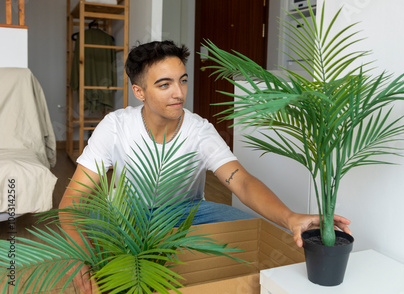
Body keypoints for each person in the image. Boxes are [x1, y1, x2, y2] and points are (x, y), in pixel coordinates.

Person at [59, 40, 351, 293]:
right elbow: (72, 201)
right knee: (93, 229)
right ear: (139, 92)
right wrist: (78, 258)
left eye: (182, 80)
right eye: (165, 84)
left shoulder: (200, 130)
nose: (179, 93)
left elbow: (242, 182)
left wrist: (289, 217)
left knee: (248, 230)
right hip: (126, 214)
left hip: (186, 211)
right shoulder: (116, 126)